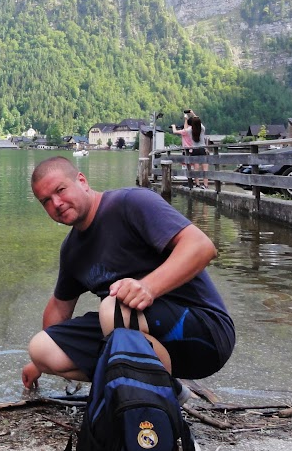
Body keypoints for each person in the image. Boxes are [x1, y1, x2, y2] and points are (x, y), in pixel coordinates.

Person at [21, 156, 234, 398]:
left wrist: (148, 287)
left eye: (60, 190)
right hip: (134, 331)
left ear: (82, 181)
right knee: (42, 349)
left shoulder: (130, 203)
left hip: (204, 331)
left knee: (114, 306)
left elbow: (202, 247)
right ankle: (168, 390)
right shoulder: (72, 250)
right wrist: (39, 365)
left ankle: (156, 405)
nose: (56, 203)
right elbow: (59, 307)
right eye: (46, 201)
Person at [187, 115, 209, 188]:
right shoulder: (202, 129)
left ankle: (197, 183)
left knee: (196, 168)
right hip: (202, 149)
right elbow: (199, 123)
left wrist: (187, 118)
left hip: (194, 150)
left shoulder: (190, 130)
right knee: (205, 168)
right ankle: (205, 185)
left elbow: (187, 127)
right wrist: (193, 114)